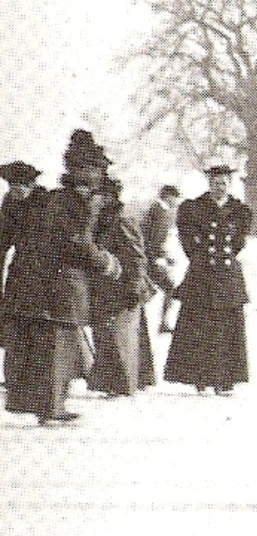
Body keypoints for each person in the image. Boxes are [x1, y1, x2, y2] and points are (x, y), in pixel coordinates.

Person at [3, 131, 123, 426]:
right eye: (87, 169)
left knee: (47, 345)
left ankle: (44, 405)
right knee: (57, 345)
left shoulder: (62, 199)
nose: (92, 175)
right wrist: (107, 262)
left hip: (46, 283)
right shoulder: (71, 202)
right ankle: (51, 408)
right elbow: (77, 242)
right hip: (60, 285)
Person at [164, 164, 251, 395]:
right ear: (209, 184)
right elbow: (187, 242)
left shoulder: (240, 210)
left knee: (226, 329)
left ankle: (225, 379)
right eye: (215, 183)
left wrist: (224, 257)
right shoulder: (194, 208)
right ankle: (200, 377)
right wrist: (202, 258)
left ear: (229, 185)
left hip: (228, 277)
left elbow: (239, 242)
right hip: (202, 275)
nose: (219, 187)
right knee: (200, 328)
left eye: (223, 183)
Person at [86, 176, 158, 397]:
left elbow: (137, 256)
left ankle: (122, 385)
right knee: (107, 335)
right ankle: (114, 383)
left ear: (108, 197)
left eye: (96, 194)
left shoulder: (121, 220)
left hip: (122, 287)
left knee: (121, 337)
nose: (92, 198)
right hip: (104, 286)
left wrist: (135, 286)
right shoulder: (97, 220)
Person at [0, 160, 45, 391]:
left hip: (44, 274)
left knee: (39, 328)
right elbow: (3, 239)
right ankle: (13, 378)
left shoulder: (46, 202)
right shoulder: (9, 202)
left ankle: (37, 379)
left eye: (20, 188)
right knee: (14, 325)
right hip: (19, 272)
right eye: (11, 187)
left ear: (32, 185)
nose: (15, 192)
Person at [142, 184, 182, 334]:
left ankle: (160, 323)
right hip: (150, 259)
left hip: (148, 257)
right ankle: (162, 324)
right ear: (168, 196)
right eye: (175, 198)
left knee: (151, 290)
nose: (177, 202)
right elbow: (154, 240)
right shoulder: (161, 212)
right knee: (169, 288)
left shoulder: (156, 209)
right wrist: (160, 258)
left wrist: (166, 256)